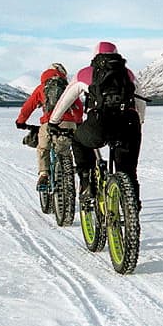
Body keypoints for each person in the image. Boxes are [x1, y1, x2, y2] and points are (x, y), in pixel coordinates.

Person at [47, 41, 146, 209]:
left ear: (94, 56)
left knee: (78, 140)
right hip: (129, 123)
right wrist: (140, 121)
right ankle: (132, 207)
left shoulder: (86, 73)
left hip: (100, 123)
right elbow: (140, 101)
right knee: (128, 171)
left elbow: (65, 100)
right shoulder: (127, 73)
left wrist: (53, 122)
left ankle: (87, 182)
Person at [15, 63, 85, 189]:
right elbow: (79, 107)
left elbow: (28, 107)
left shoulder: (42, 87)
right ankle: (67, 173)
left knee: (43, 148)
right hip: (69, 123)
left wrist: (21, 121)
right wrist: (77, 121)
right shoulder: (67, 87)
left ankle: (43, 174)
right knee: (65, 150)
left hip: (48, 123)